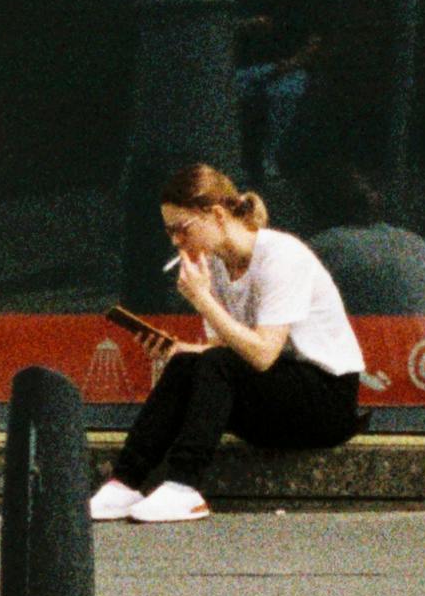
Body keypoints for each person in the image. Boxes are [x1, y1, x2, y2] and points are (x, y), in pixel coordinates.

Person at [99, 159, 368, 524]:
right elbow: (227, 354)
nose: (176, 241)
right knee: (184, 365)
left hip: (327, 399)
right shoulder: (219, 267)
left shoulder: (280, 256)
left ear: (216, 215)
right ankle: (125, 482)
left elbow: (261, 355)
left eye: (182, 228)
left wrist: (202, 300)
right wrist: (180, 350)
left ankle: (183, 486)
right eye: (170, 233)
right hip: (278, 392)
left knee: (212, 365)